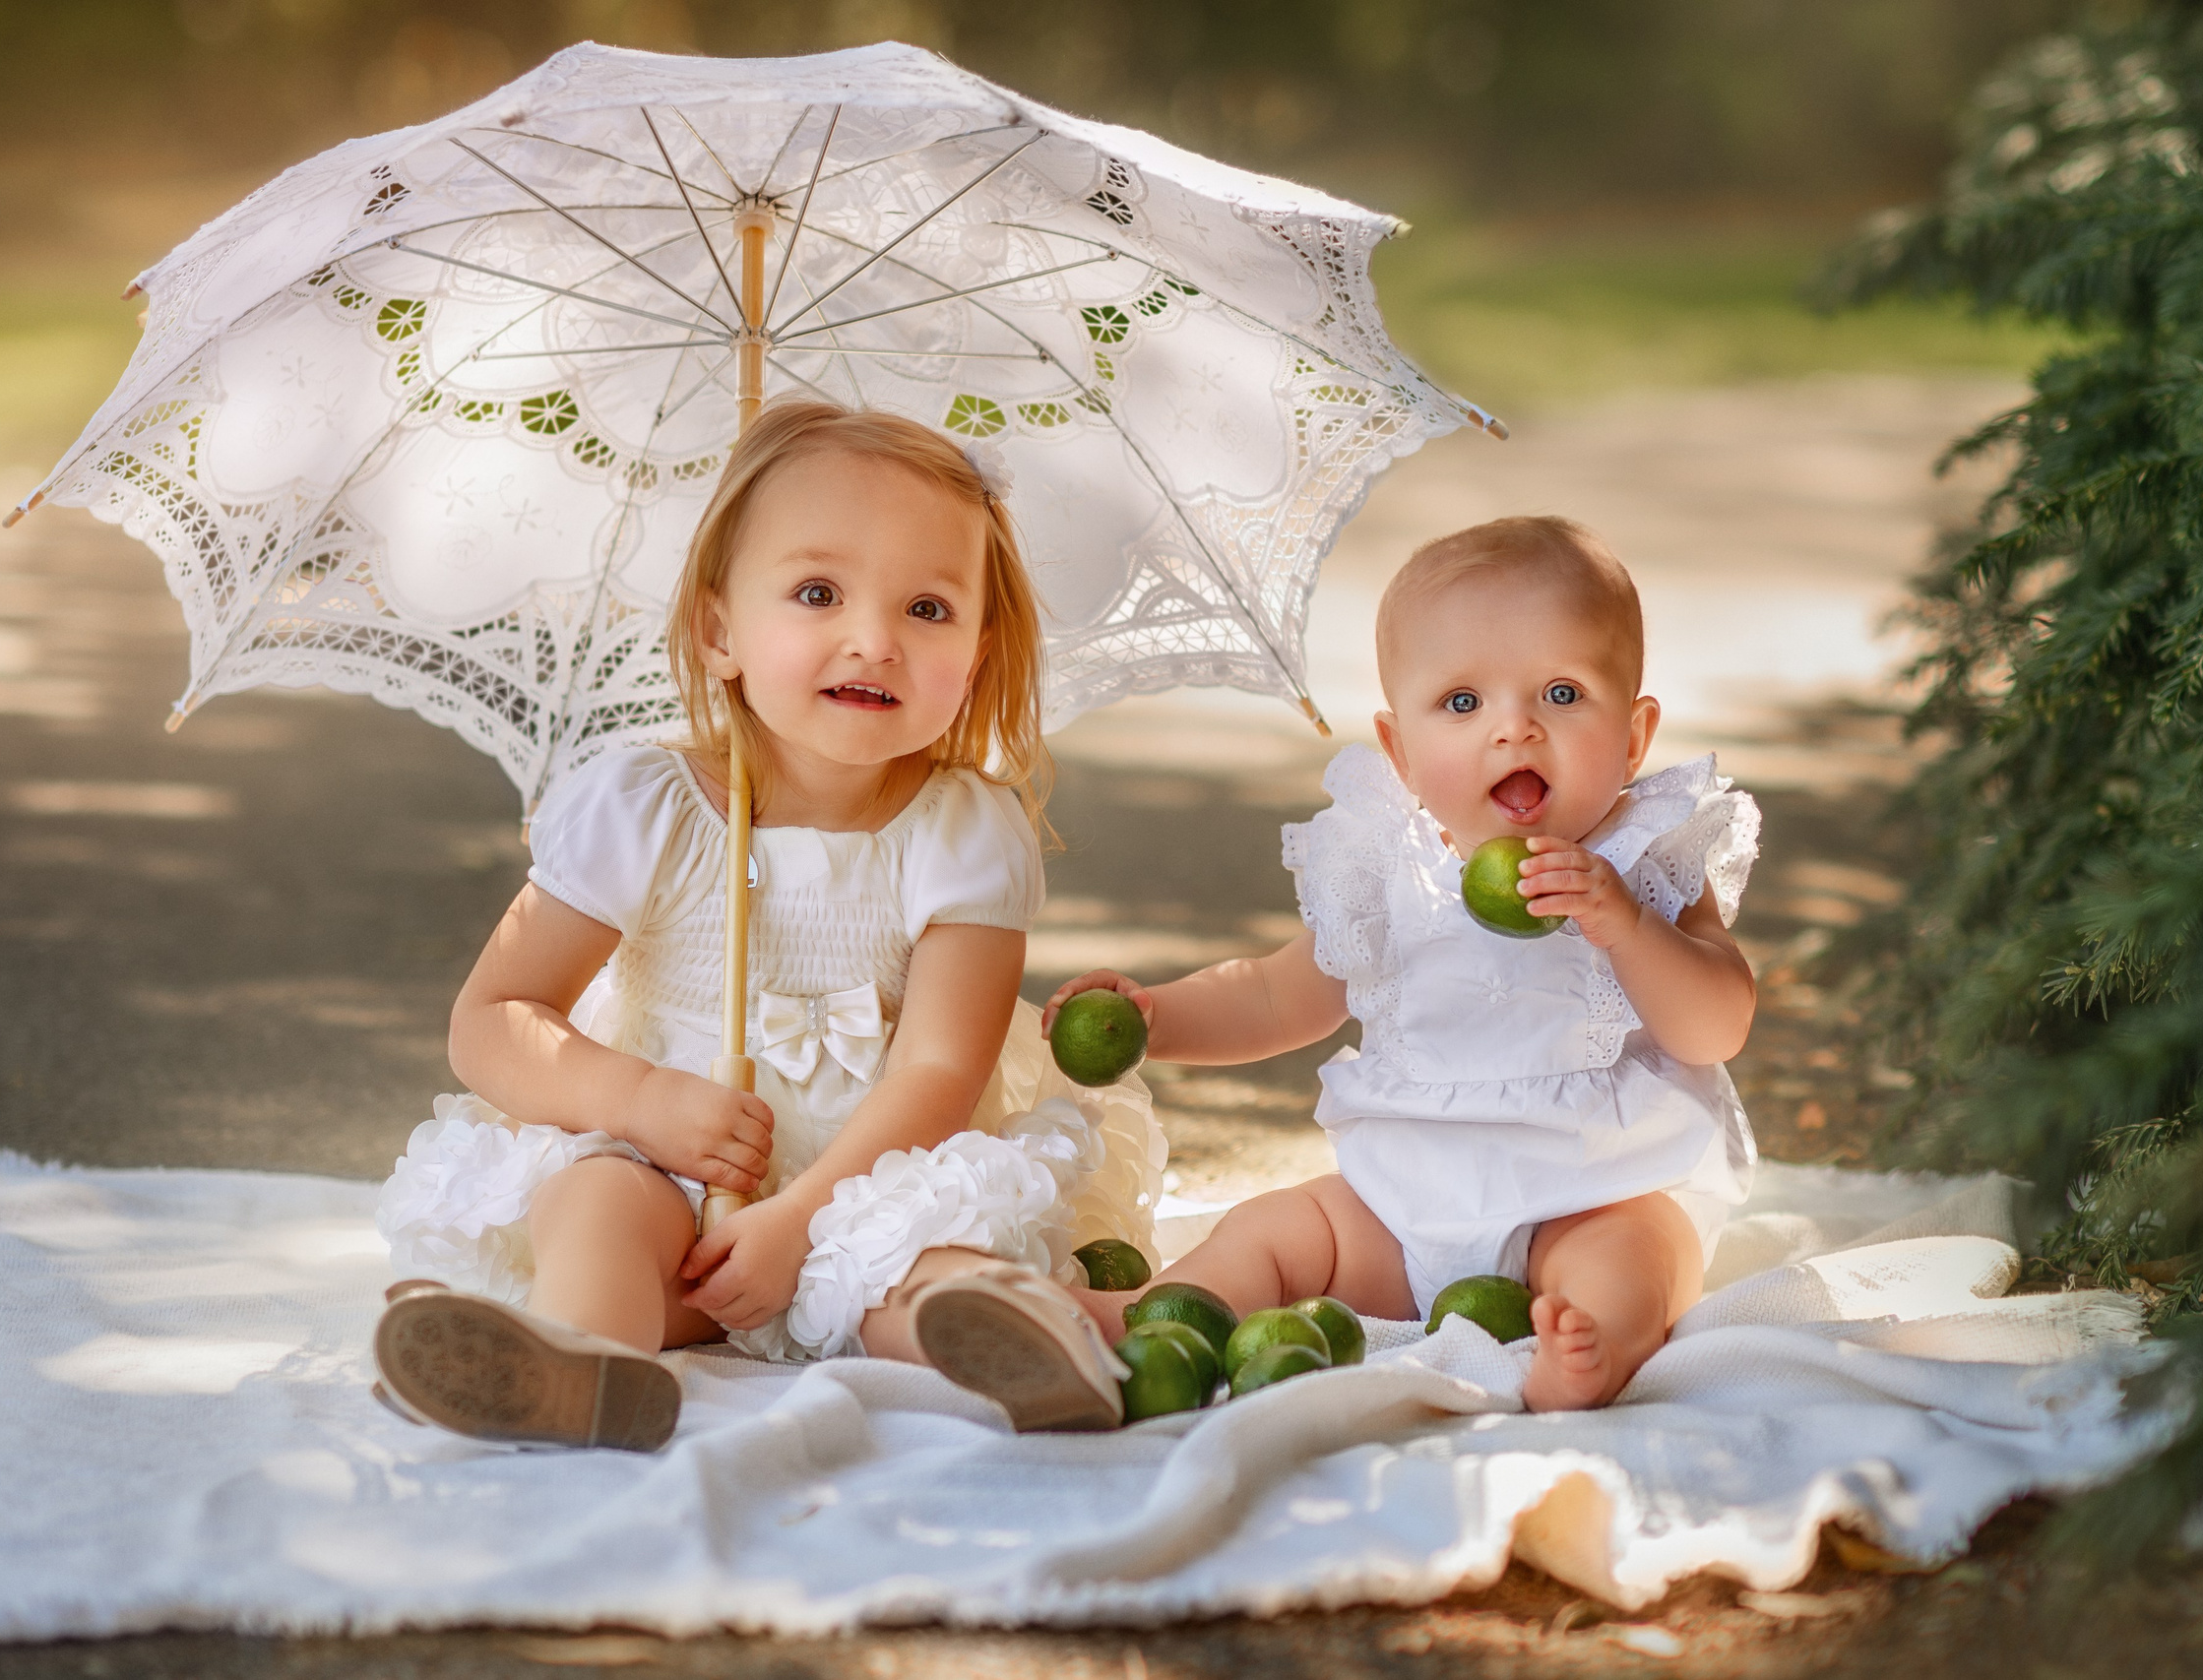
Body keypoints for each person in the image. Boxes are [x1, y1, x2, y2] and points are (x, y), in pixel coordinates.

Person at [370, 403, 1162, 1451]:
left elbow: (938, 1073)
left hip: (869, 1171)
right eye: (818, 593)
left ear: (976, 653)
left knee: (919, 1264)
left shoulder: (964, 830)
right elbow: (494, 1018)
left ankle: (1024, 1350)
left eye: (928, 608)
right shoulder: (645, 808)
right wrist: (642, 1101)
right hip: (665, 1175)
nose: (873, 639)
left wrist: (799, 1221)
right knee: (596, 1205)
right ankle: (584, 1365)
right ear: (718, 632)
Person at [925, 515, 1758, 1421]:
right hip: (1402, 1205)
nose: (1514, 731)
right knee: (1278, 1231)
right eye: (1464, 704)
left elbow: (1716, 1025)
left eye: (1560, 694)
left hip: (1597, 1186)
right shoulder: (1383, 868)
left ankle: (1587, 1352)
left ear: (1635, 735)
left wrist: (1626, 924)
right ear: (1400, 751)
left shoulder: (1645, 859)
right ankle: (1135, 1319)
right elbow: (1279, 994)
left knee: (1643, 1258)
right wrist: (1157, 1017)